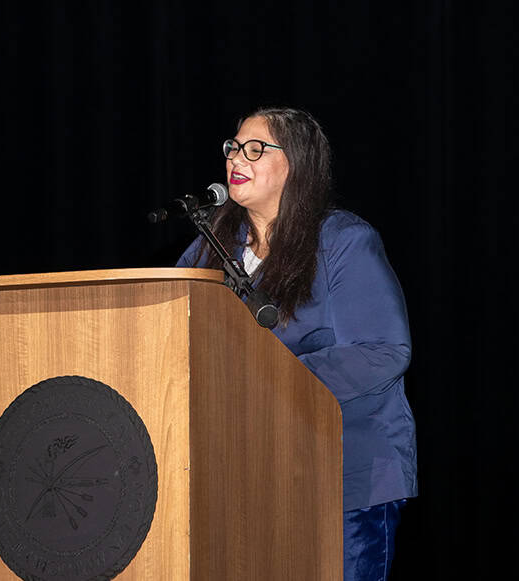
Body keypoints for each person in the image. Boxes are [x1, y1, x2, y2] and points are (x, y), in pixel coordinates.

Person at [176, 107, 417, 580]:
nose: (235, 158)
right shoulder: (212, 249)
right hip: (245, 479)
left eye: (255, 148)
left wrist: (263, 380)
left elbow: (384, 351)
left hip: (343, 478)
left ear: (297, 164)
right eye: (232, 147)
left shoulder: (343, 241)